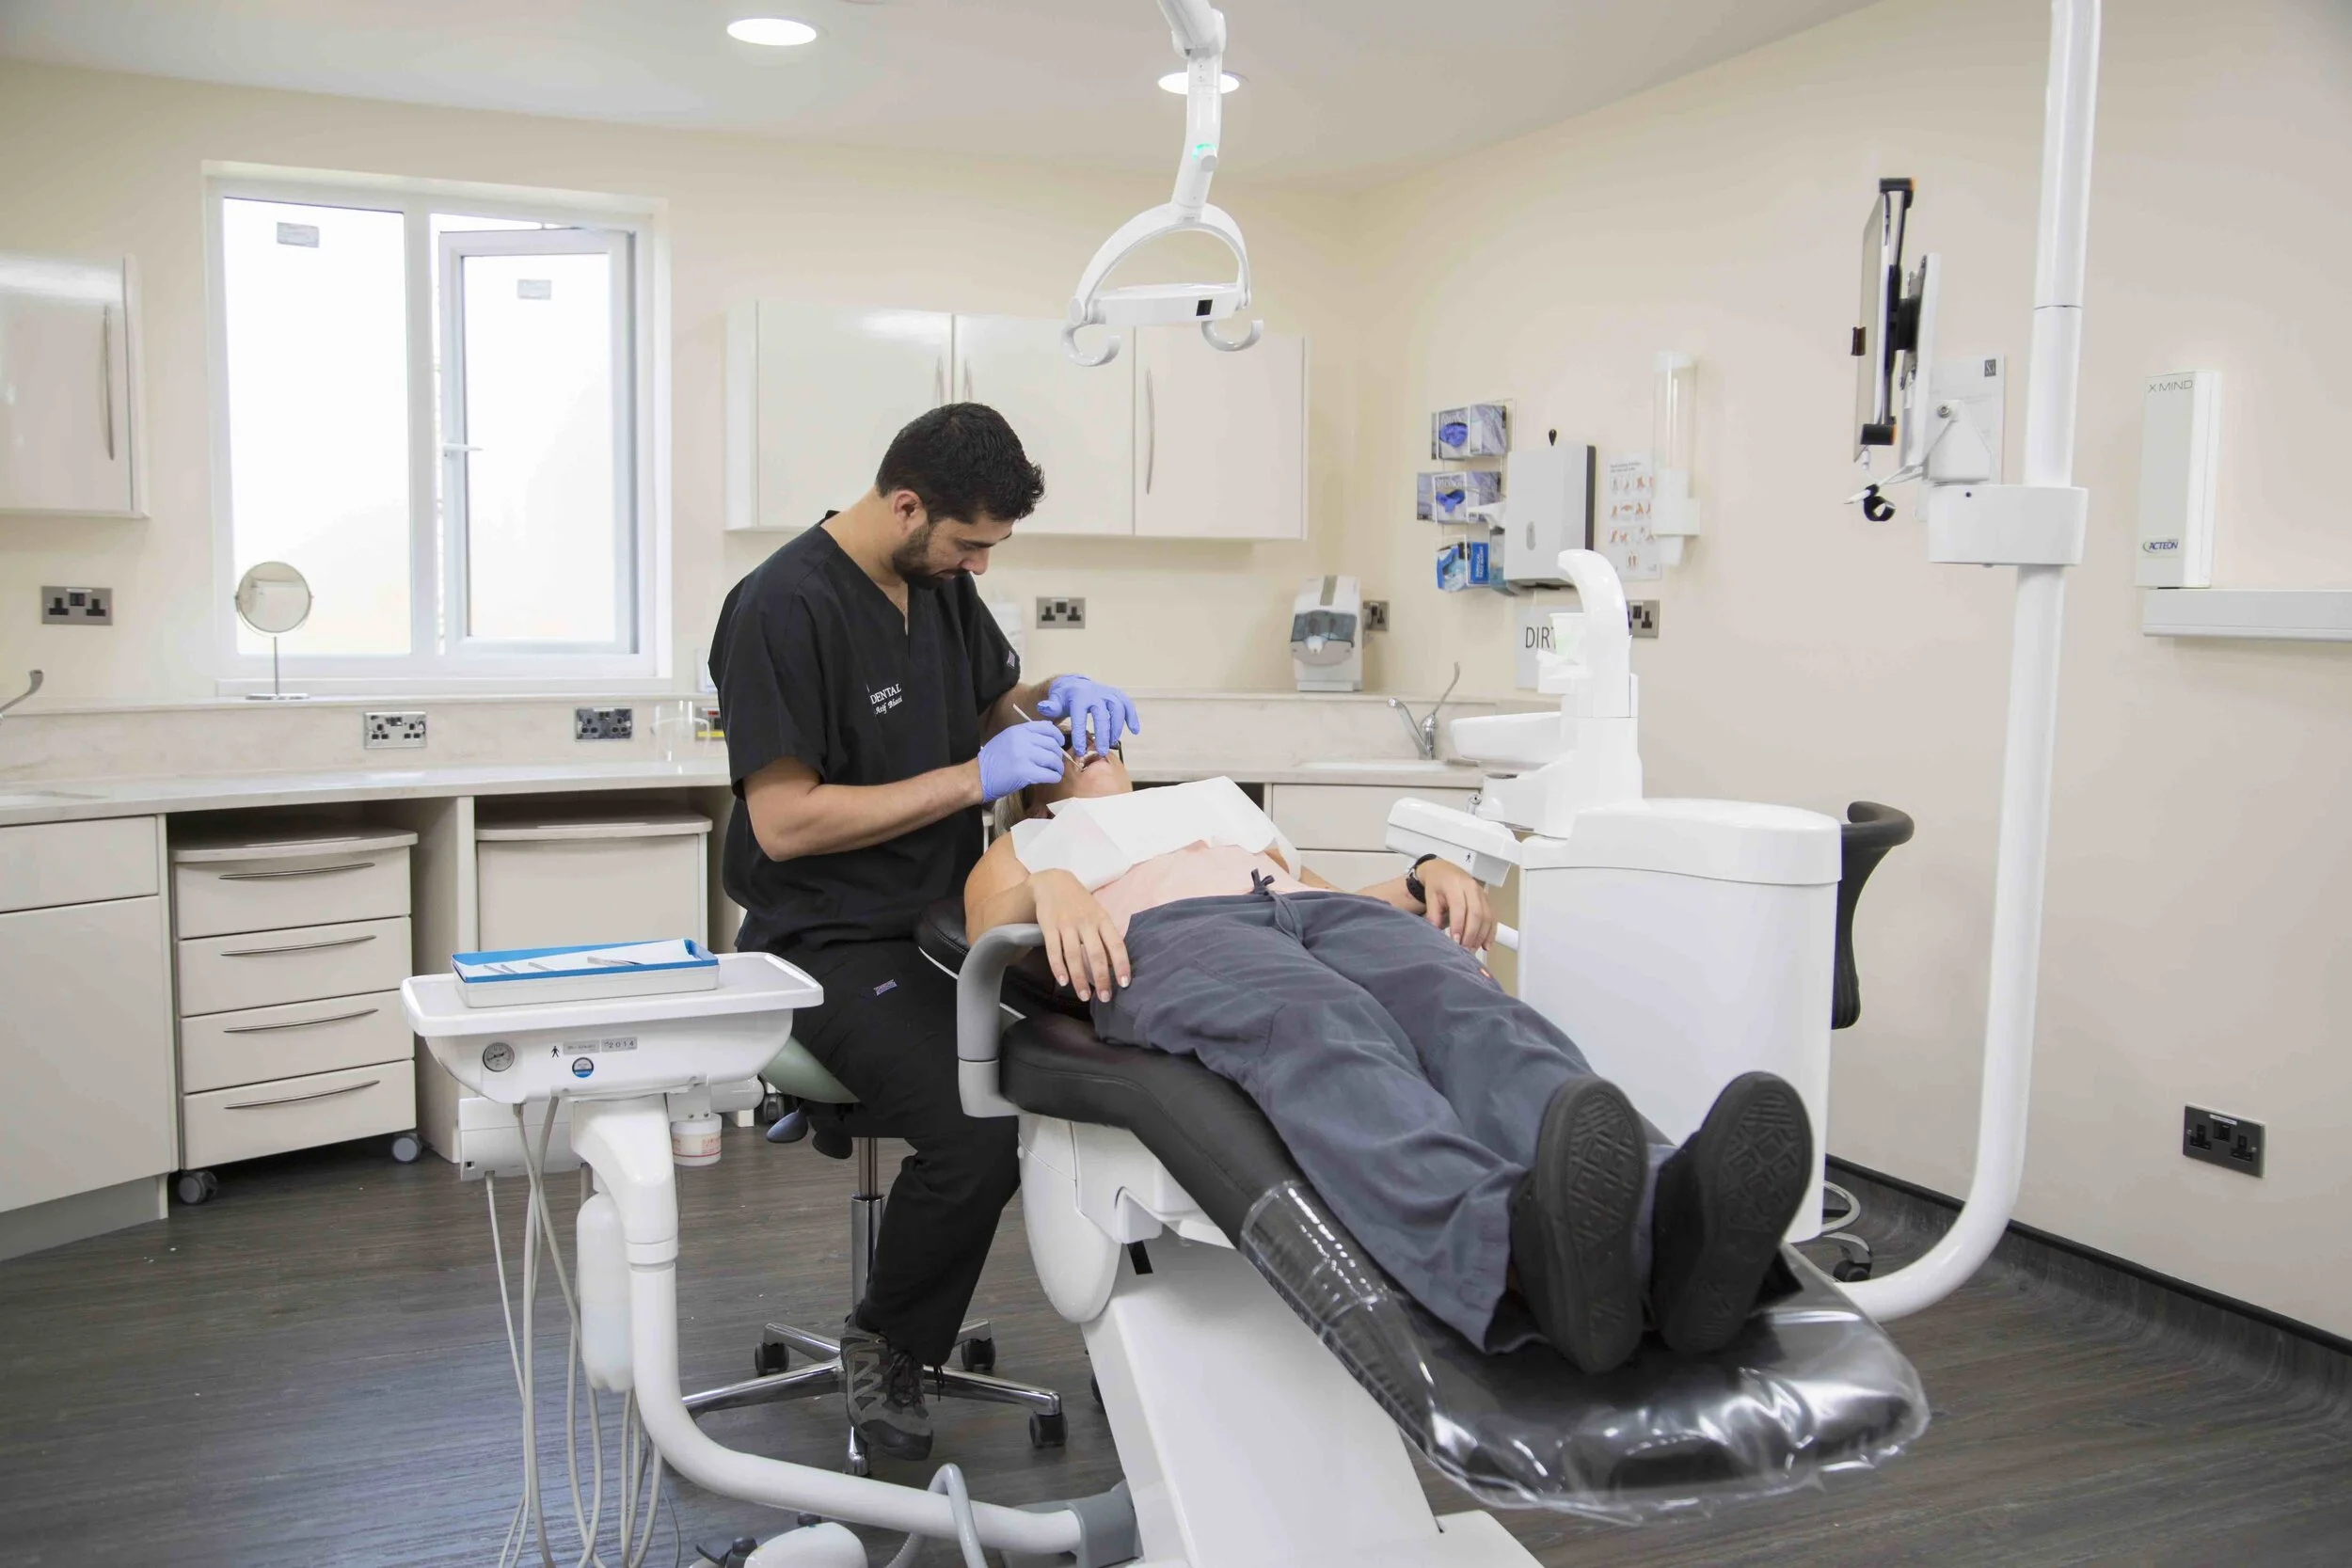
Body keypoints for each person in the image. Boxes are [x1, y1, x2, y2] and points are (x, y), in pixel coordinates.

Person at [961, 747, 1815, 1374]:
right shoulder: (1034, 840)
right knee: (1324, 1029)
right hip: (1175, 938)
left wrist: (1417, 879)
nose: (1089, 743)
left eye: (1100, 731)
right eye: (1063, 737)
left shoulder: (1212, 806)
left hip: (1317, 915)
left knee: (1480, 1019)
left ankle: (1675, 1223)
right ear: (1031, 779)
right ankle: (1511, 1252)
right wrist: (1049, 882)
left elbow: (1325, 893)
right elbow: (984, 928)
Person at [709, 403, 1141, 1462]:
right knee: (975, 1123)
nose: (980, 565)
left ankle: (1141, 1339)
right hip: (826, 940)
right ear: (906, 505)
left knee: (1119, 1047)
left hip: (952, 926)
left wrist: (1054, 699)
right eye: (970, 542)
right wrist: (970, 780)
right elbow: (785, 820)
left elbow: (993, 708)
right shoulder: (779, 607)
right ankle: (889, 1340)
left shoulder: (940, 585)